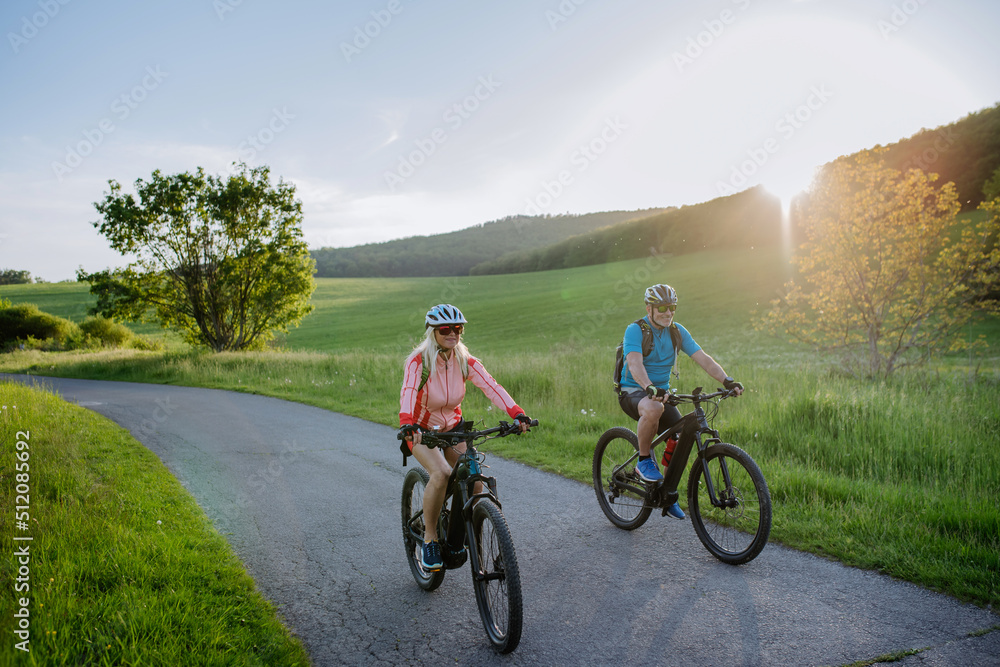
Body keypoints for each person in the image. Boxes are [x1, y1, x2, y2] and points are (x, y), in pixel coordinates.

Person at [398, 304, 532, 571]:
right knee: (441, 474)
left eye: (457, 328)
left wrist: (517, 413)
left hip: (454, 428)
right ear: (433, 332)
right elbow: (408, 391)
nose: (452, 334)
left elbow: (492, 386)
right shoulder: (419, 361)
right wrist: (407, 424)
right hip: (422, 431)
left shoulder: (464, 360)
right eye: (445, 329)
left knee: (475, 484)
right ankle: (430, 539)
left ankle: (463, 535)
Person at [617, 284, 743, 519]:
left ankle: (667, 492)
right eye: (662, 307)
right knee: (654, 407)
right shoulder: (635, 330)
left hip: (660, 393)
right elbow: (634, 363)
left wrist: (727, 380)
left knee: (681, 435)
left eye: (672, 307)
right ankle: (644, 460)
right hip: (633, 390)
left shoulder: (677, 331)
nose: (668, 312)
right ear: (649, 308)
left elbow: (703, 358)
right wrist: (648, 387)